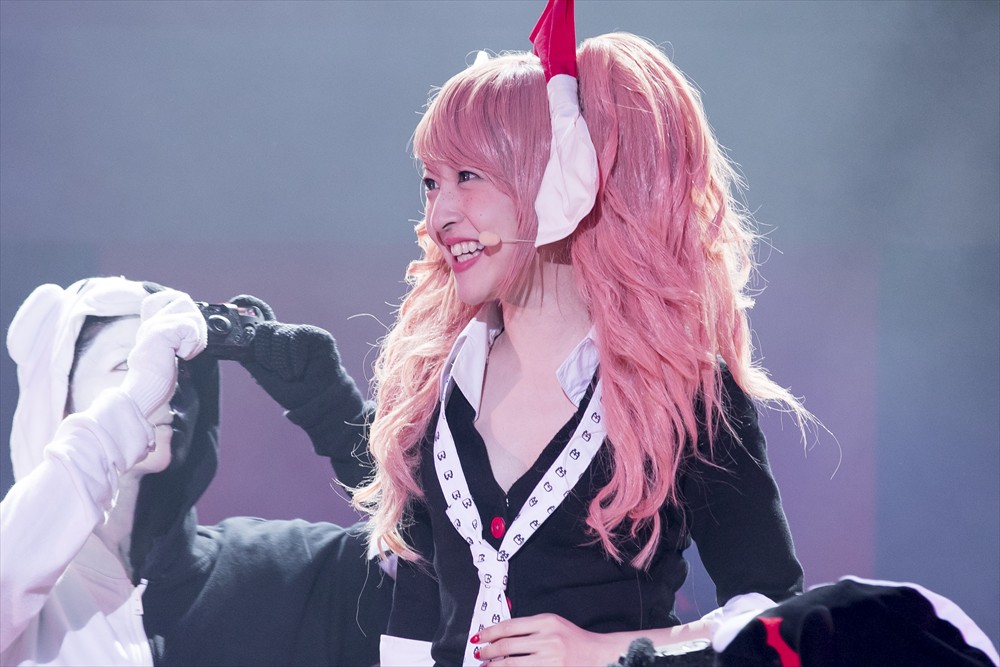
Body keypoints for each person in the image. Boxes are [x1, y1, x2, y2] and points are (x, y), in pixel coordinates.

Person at [352, 2, 813, 665]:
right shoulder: (433, 386)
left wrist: (606, 651)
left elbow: (775, 619)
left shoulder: (683, 392)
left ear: (555, 182)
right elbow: (412, 631)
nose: (439, 213)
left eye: (468, 177)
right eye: (430, 182)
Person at [0, 276, 391, 666]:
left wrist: (342, 421)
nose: (166, 384)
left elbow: (422, 567)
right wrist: (134, 400)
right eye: (128, 364)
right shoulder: (27, 595)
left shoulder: (284, 570)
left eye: (181, 370)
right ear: (58, 400)